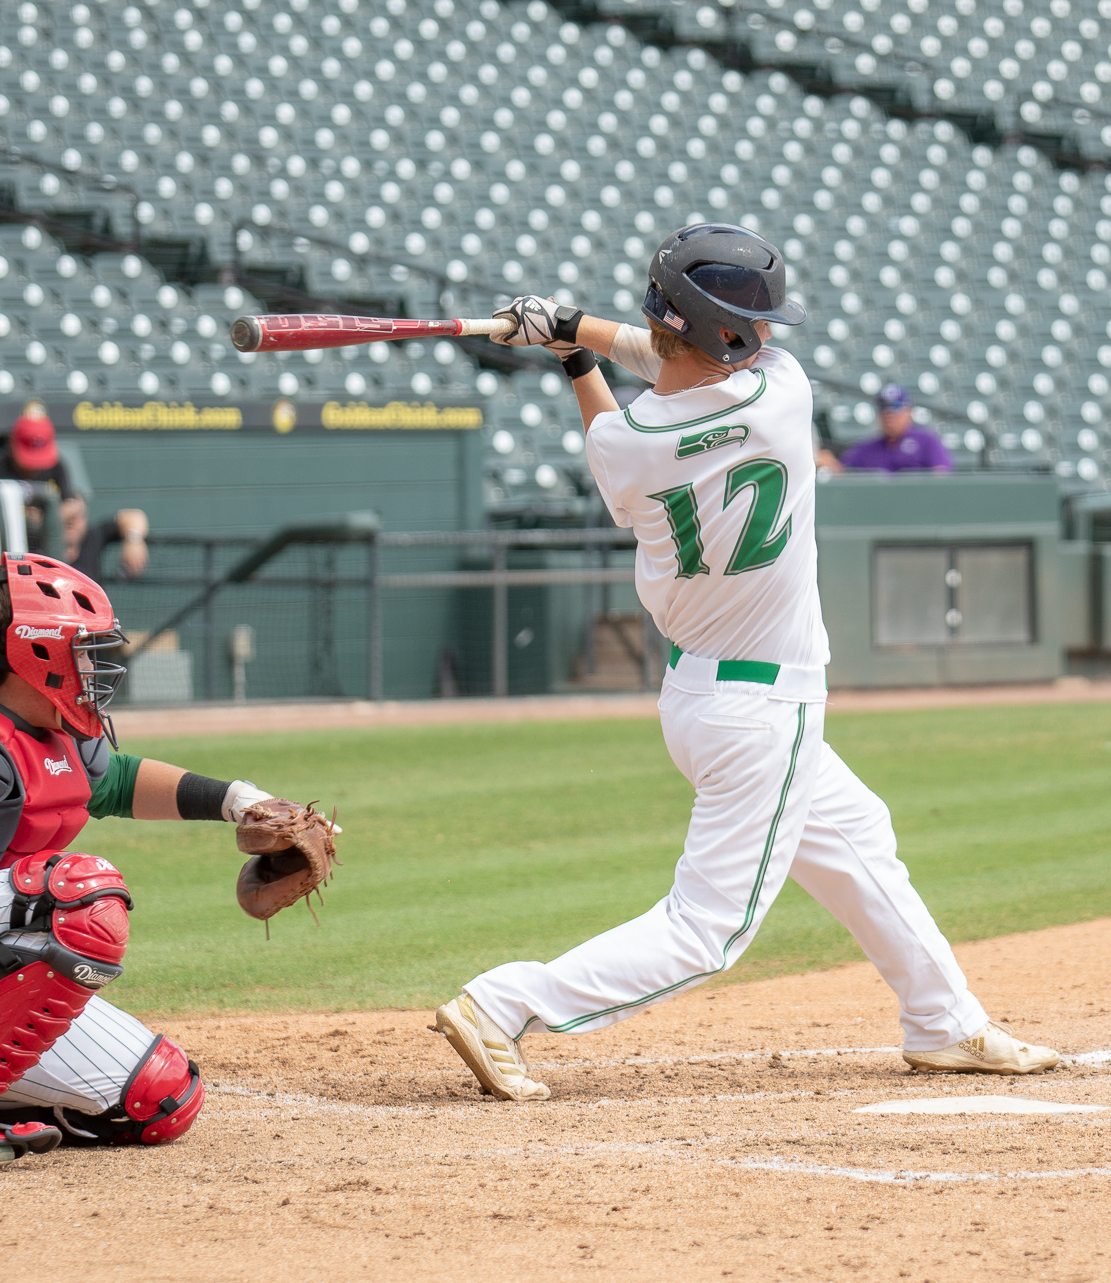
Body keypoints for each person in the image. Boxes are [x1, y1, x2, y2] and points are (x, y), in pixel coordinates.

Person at [431, 223, 1056, 1102]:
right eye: (751, 325)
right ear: (730, 334)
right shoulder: (781, 394)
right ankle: (504, 1003)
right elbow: (675, 354)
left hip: (699, 696)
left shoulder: (624, 448)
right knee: (708, 931)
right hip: (767, 710)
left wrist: (571, 349)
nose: (763, 338)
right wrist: (577, 331)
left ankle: (944, 1021)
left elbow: (656, 371)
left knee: (857, 832)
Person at [0, 554, 335, 1170]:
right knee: (75, 893)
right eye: (85, 650)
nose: (98, 667)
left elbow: (119, 780)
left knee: (161, 1097)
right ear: (34, 652)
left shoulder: (52, 733)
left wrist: (241, 802)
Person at [0, 406, 74, 545]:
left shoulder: (56, 465)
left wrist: (47, 518)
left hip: (44, 540)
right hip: (4, 542)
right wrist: (23, 517)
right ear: (12, 443)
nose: (34, 466)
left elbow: (72, 504)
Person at [820, 383, 953, 473]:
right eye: (884, 408)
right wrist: (828, 463)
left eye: (896, 406)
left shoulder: (926, 441)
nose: (889, 414)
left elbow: (941, 479)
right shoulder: (867, 448)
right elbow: (842, 471)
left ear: (908, 411)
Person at [60, 499, 150, 590]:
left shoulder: (92, 537)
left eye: (77, 515)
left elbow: (134, 516)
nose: (70, 522)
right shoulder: (46, 546)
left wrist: (133, 538)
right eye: (68, 516)